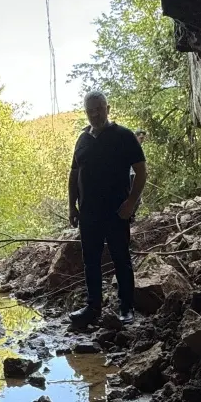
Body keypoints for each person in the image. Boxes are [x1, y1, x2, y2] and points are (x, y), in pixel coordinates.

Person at [68, 91, 147, 326]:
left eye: (98, 109)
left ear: (107, 108)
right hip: (88, 212)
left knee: (120, 258)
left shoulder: (124, 136)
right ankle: (93, 307)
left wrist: (131, 202)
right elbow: (74, 174)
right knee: (90, 260)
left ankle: (126, 307)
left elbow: (141, 171)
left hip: (116, 210)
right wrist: (72, 206)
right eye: (90, 110)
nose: (94, 114)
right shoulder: (82, 139)